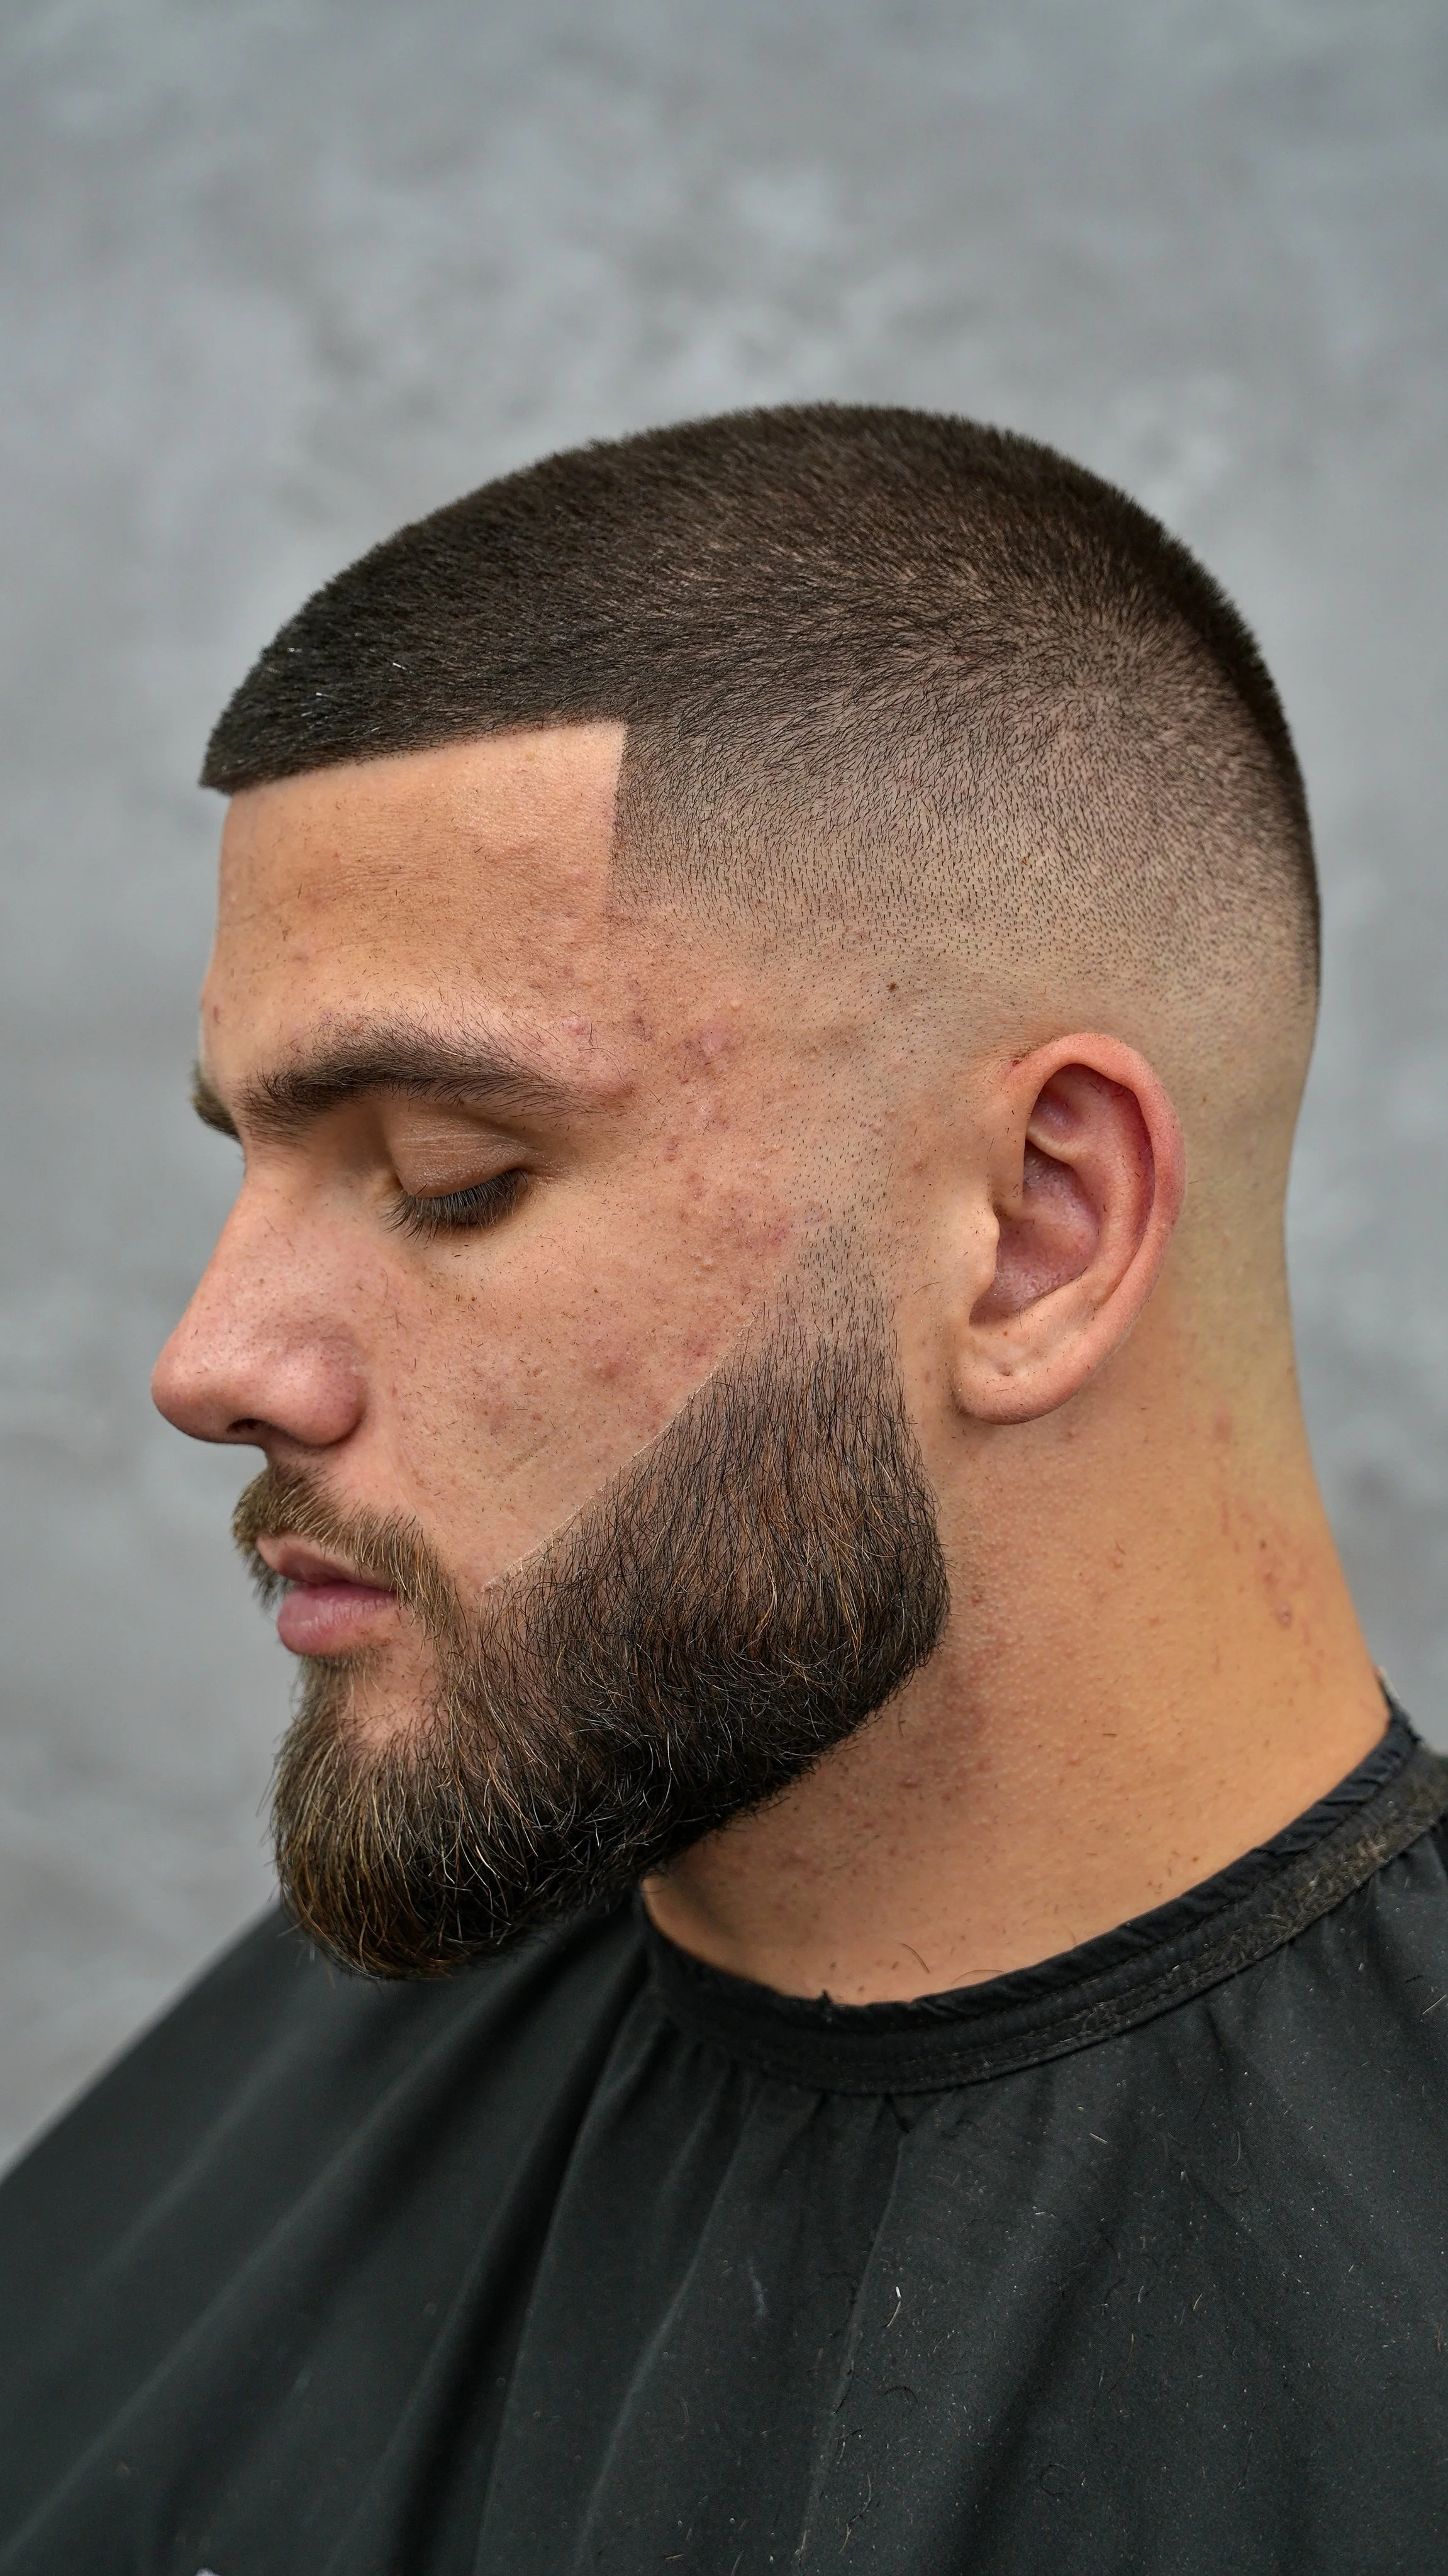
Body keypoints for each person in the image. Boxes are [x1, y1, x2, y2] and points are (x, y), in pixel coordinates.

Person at [1, 406, 1444, 2576]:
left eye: (447, 1178)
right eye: (254, 1160)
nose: (211, 1364)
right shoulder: (307, 2071)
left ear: (1034, 1231)